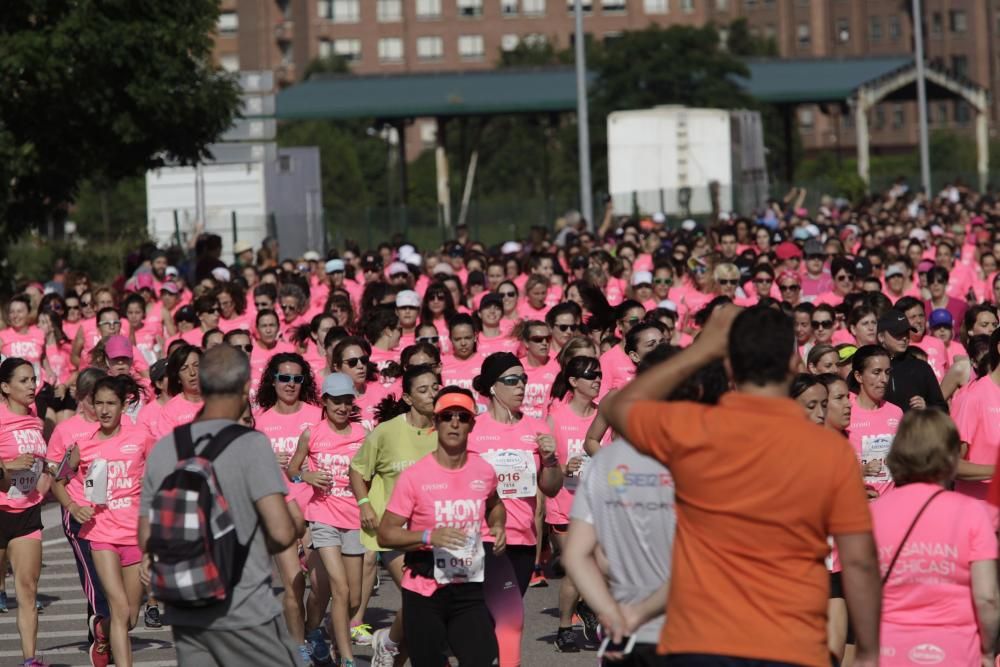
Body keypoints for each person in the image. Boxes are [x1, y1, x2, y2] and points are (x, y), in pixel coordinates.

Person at [601, 306, 881, 667]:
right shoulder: (832, 451)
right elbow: (858, 561)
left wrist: (702, 351)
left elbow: (620, 405)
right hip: (790, 642)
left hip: (700, 641)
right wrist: (870, 651)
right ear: (794, 366)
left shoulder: (695, 430)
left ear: (729, 366)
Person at [138, 344, 304, 666]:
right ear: (245, 387)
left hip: (187, 608)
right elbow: (283, 533)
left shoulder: (165, 448)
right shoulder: (251, 444)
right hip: (245, 608)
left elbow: (146, 536)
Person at [376, 387, 505, 667]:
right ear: (435, 422)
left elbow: (495, 505)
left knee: (482, 659)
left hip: (468, 587)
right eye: (447, 416)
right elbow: (386, 533)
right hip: (425, 590)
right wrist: (428, 536)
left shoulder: (483, 470)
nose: (455, 423)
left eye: (462, 416)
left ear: (472, 424)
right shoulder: (415, 476)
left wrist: (498, 526)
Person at [872, 409, 999, 667]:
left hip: (889, 650)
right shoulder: (973, 513)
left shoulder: (872, 514)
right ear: (950, 456)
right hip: (956, 649)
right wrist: (987, 650)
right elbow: (987, 597)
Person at [349, 364, 441, 666]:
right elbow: (357, 469)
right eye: (423, 390)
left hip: (435, 532)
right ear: (408, 398)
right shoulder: (386, 432)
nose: (432, 394)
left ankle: (388, 646)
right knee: (420, 595)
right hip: (393, 533)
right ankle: (396, 646)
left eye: (435, 387)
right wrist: (364, 503)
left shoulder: (448, 429)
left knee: (426, 604)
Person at [63, 375, 148, 667]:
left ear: (124, 404)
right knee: (120, 609)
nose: (104, 409)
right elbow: (58, 480)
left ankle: (101, 628)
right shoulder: (83, 445)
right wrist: (73, 506)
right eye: (98, 403)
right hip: (101, 534)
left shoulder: (141, 437)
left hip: (134, 535)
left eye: (111, 403)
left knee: (131, 617)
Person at [288, 373, 369, 667]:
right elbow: (292, 470)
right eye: (336, 401)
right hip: (323, 517)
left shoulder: (364, 433)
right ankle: (346, 658)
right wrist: (306, 476)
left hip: (355, 519)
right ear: (324, 401)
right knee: (340, 587)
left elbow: (374, 472)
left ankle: (316, 630)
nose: (343, 407)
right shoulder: (312, 433)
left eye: (348, 401)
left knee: (355, 598)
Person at [253, 352, 322, 663]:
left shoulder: (317, 415)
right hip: (280, 514)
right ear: (273, 380)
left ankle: (311, 629)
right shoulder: (260, 421)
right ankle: (299, 646)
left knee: (325, 585)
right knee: (293, 586)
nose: (291, 384)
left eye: (297, 378)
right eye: (284, 378)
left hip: (319, 509)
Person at [545, 355, 604, 652]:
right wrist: (563, 467)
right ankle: (565, 629)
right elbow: (544, 463)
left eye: (599, 374)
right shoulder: (556, 416)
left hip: (598, 508)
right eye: (591, 375)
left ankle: (586, 607)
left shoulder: (604, 416)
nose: (597, 379)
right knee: (575, 569)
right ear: (573, 381)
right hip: (564, 504)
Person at [0, 358, 49, 667]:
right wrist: (5, 467)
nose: (32, 385)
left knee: (27, 590)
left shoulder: (35, 418)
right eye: (23, 381)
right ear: (5, 387)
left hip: (27, 512)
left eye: (33, 379)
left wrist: (54, 472)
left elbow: (39, 463)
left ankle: (29, 660)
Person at [877, 310, 948, 413]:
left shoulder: (921, 367)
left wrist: (926, 408)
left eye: (906, 332)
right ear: (881, 337)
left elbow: (942, 409)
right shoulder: (869, 366)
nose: (904, 337)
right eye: (898, 333)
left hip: (913, 428)